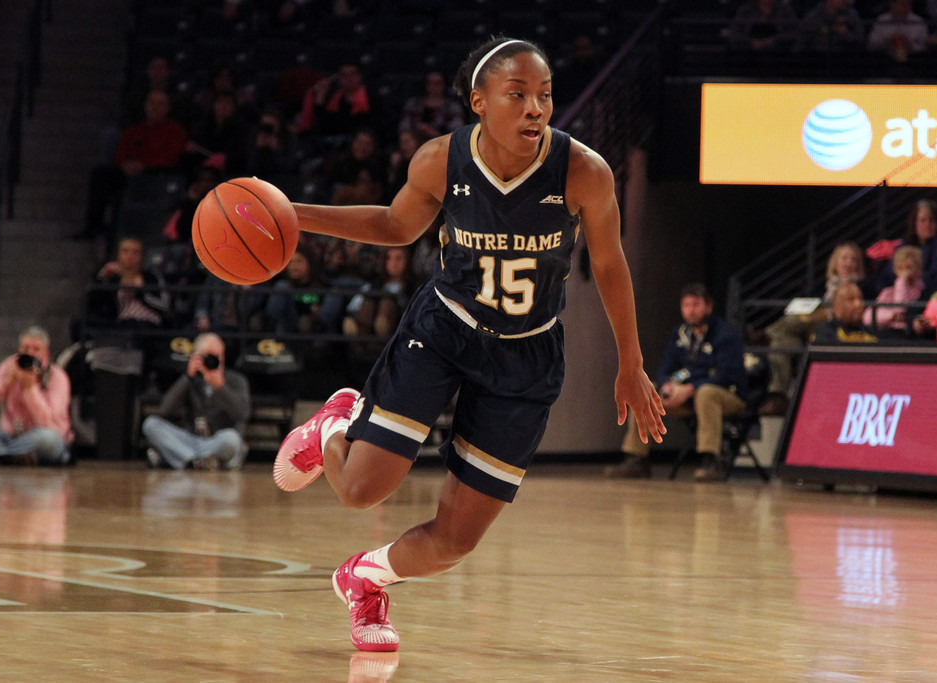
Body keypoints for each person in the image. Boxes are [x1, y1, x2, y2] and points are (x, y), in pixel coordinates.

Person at [270, 36, 666, 652]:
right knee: (358, 491)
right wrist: (294, 216)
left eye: (545, 96)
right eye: (518, 95)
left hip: (528, 357)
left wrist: (630, 364)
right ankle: (335, 424)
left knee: (454, 544)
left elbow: (611, 266)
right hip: (444, 331)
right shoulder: (439, 161)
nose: (536, 109)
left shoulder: (584, 170)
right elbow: (396, 226)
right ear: (480, 102)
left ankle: (365, 579)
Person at [609, 283, 747, 483]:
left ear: (709, 307)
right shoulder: (679, 334)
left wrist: (690, 388)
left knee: (706, 392)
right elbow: (665, 368)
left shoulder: (725, 335)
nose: (691, 310)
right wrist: (667, 386)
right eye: (686, 305)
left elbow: (726, 375)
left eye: (696, 305)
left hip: (728, 396)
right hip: (689, 397)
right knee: (648, 390)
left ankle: (712, 461)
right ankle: (636, 459)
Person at [758, 241, 873, 415]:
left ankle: (766, 334)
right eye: (844, 259)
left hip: (834, 328)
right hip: (805, 332)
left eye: (853, 260)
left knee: (794, 323)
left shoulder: (864, 289)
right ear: (835, 263)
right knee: (784, 343)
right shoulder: (821, 288)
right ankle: (778, 396)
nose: (849, 263)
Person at [0, 326, 73, 466]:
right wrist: (6, 381)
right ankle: (12, 457)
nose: (30, 353)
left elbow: (47, 423)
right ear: (19, 350)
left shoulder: (57, 377)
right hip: (10, 437)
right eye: (26, 349)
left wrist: (30, 388)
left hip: (38, 438)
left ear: (46, 352)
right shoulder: (11, 365)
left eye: (36, 349)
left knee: (49, 439)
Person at [80, 89, 188, 242]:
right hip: (129, 174)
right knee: (101, 174)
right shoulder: (133, 130)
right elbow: (120, 155)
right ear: (145, 106)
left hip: (156, 175)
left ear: (167, 108)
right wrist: (125, 165)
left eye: (160, 104)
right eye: (152, 103)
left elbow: (171, 159)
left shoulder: (175, 131)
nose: (155, 107)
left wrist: (144, 165)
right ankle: (94, 227)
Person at [141, 332, 252, 470]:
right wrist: (187, 378)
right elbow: (166, 409)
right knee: (150, 424)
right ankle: (197, 460)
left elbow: (243, 414)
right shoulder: (190, 379)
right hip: (191, 440)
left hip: (219, 441)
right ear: (196, 357)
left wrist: (220, 387)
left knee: (231, 439)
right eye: (208, 356)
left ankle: (180, 458)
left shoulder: (236, 380)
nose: (213, 361)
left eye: (217, 356)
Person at [862, 245, 923, 336]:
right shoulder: (888, 292)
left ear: (918, 269)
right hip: (887, 335)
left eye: (909, 267)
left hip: (908, 336)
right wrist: (891, 315)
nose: (905, 273)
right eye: (901, 268)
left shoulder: (921, 292)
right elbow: (867, 317)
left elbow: (901, 307)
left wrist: (901, 282)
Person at [397, 70, 466, 141]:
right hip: (415, 143)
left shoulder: (452, 106)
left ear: (444, 84)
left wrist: (434, 132)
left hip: (443, 142)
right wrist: (420, 127)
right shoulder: (414, 104)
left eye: (437, 83)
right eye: (430, 83)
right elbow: (404, 126)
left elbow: (458, 130)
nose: (433, 87)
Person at [813, 282, 880, 344]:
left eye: (860, 299)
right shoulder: (824, 334)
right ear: (837, 306)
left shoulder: (870, 334)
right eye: (850, 299)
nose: (858, 304)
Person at [794, 0, 865, 52]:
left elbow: (860, 40)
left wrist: (846, 34)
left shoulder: (852, 15)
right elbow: (800, 45)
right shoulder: (813, 18)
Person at [727, 0, 798, 52]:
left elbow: (794, 32)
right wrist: (751, 42)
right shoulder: (746, 10)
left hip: (778, 53)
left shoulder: (785, 10)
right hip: (749, 53)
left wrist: (772, 41)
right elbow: (735, 32)